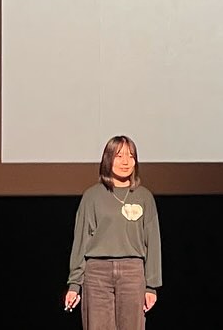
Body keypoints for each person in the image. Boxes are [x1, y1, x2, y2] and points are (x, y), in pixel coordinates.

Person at [64, 135, 162, 328]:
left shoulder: (144, 197)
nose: (126, 162)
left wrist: (151, 286)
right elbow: (81, 240)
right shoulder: (92, 196)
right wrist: (74, 284)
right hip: (97, 274)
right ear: (108, 159)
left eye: (131, 156)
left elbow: (153, 242)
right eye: (119, 156)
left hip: (132, 273)